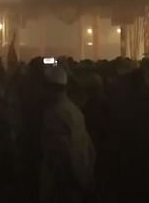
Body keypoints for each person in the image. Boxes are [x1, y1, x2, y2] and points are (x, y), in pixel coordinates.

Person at [40, 66, 95, 203]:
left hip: (65, 185)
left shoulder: (54, 114)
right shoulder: (75, 111)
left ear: (50, 88)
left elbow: (58, 156)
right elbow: (89, 149)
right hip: (81, 178)